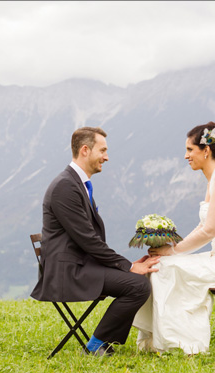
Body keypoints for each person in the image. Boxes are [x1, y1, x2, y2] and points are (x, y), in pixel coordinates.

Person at [132, 120, 215, 355]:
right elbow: (203, 225)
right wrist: (172, 246)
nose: (186, 156)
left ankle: (181, 342)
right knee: (162, 264)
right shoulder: (214, 180)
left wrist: (173, 251)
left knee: (168, 267)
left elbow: (209, 231)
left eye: (190, 150)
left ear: (206, 150)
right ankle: (157, 337)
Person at [31, 127, 160, 356]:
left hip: (81, 264)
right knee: (138, 285)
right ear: (84, 150)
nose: (106, 157)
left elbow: (87, 240)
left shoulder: (75, 184)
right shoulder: (65, 186)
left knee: (136, 281)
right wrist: (128, 266)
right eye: (103, 150)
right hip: (68, 272)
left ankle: (102, 343)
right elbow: (88, 240)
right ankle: (96, 346)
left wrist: (124, 265)